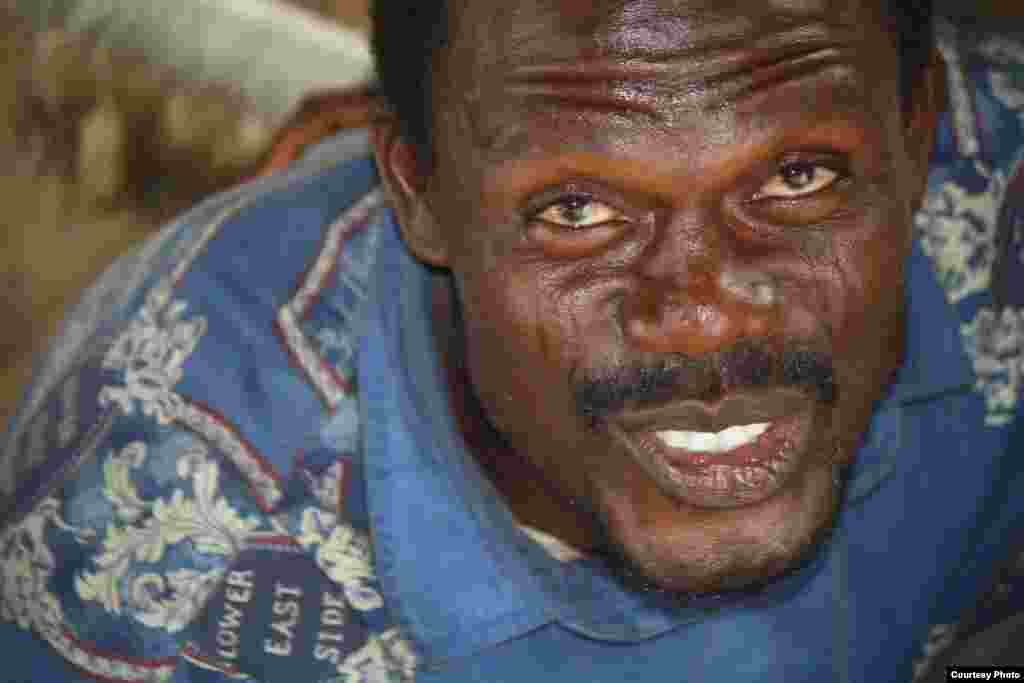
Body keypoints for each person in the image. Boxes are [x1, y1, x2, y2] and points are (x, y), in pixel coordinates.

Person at [1, 0, 1022, 680]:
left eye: (797, 178)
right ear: (418, 190)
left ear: (918, 128)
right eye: (576, 209)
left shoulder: (1003, 189)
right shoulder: (161, 540)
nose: (707, 314)